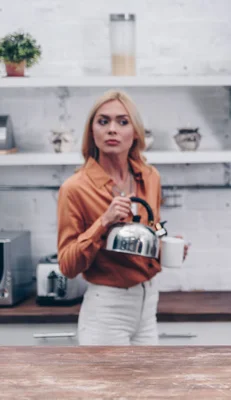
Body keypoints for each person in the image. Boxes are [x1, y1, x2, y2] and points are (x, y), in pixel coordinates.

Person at [57, 89, 188, 345]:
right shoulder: (75, 189)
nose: (112, 129)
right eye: (103, 121)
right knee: (110, 386)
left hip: (148, 303)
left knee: (146, 385)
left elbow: (151, 230)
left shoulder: (150, 177)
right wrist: (103, 223)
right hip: (107, 309)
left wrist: (165, 247)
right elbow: (67, 266)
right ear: (92, 132)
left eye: (122, 121)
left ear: (135, 133)